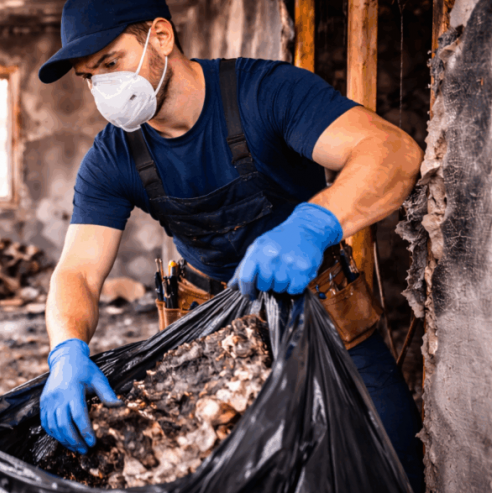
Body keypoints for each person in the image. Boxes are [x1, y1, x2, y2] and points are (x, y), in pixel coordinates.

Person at [37, 0, 425, 491]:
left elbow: (393, 152)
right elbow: (77, 272)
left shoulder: (266, 92)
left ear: (160, 37)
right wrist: (66, 350)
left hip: (325, 315)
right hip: (210, 339)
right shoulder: (113, 157)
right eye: (89, 77)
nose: (103, 89)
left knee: (392, 460)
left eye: (111, 63)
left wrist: (314, 223)